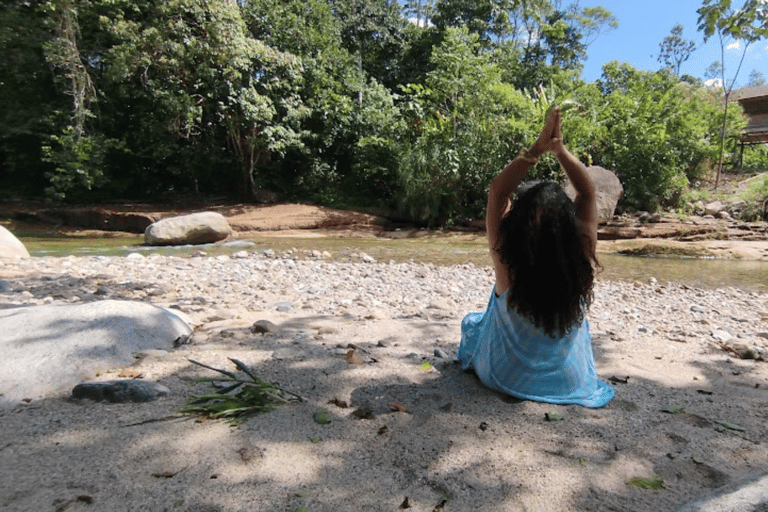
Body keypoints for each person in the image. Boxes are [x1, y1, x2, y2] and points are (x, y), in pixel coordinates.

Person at [457, 107, 614, 408]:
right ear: (569, 227)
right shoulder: (580, 256)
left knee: (473, 325)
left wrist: (536, 150)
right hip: (571, 382)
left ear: (516, 223)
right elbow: (588, 194)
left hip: (506, 377)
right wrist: (560, 150)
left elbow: (496, 193)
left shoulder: (507, 259)